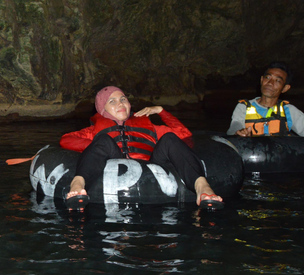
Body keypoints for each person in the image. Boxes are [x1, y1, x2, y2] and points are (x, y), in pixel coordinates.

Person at [60, 86, 224, 211]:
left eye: (123, 99)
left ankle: (202, 187)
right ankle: (78, 184)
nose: (120, 103)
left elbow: (184, 134)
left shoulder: (148, 126)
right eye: (112, 101)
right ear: (103, 110)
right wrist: (98, 148)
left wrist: (160, 111)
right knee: (102, 139)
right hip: (115, 161)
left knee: (169, 139)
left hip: (151, 165)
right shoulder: (96, 131)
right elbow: (66, 140)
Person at [227, 62, 304, 137]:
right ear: (261, 80)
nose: (270, 83)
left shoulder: (289, 110)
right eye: (267, 77)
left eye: (277, 81)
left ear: (285, 88)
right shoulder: (243, 107)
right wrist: (239, 133)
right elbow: (234, 127)